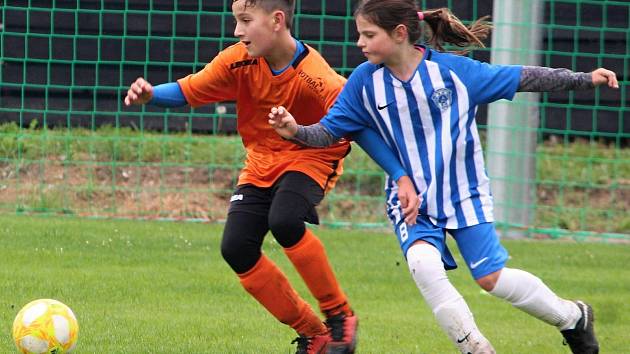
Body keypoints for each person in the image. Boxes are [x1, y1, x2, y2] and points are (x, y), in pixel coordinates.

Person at [268, 1, 618, 353]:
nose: (360, 42)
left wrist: (584, 80)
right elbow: (328, 132)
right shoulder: (364, 81)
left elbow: (523, 77)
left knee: (491, 279)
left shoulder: (454, 73)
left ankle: (573, 318)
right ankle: (477, 349)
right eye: (360, 34)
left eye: (369, 35)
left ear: (400, 33)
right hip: (412, 201)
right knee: (422, 263)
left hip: (465, 192)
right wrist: (294, 128)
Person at [120, 1, 392, 353]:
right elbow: (190, 89)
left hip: (312, 155)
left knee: (285, 220)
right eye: (236, 21)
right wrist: (153, 95)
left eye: (246, 21)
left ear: (277, 20)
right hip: (262, 161)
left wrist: (399, 173)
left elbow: (356, 124)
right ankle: (316, 334)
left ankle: (340, 315)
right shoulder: (237, 59)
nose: (237, 31)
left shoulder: (316, 76)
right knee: (236, 248)